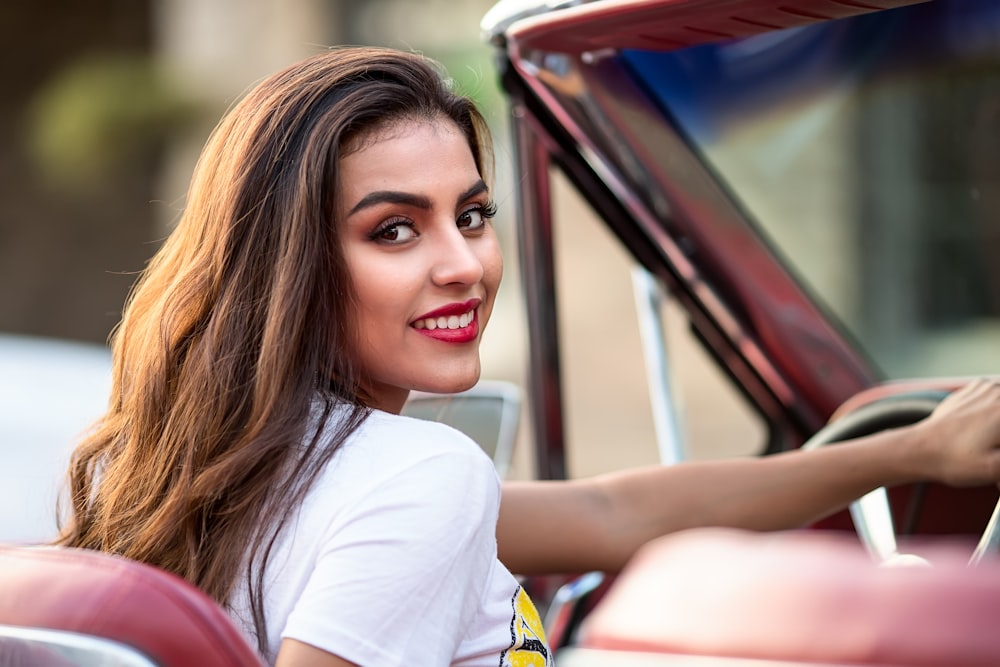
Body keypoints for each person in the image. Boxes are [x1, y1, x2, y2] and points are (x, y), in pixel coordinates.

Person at [56, 46, 1000, 667]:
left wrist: (903, 453)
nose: (464, 265)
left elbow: (612, 509)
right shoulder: (414, 478)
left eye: (471, 215)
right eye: (394, 231)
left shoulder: (250, 468)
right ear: (289, 264)